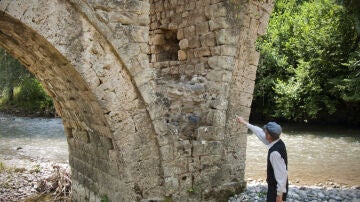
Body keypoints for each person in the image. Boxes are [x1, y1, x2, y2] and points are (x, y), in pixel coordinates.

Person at [237, 116, 288, 202]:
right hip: (277, 186)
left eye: (266, 132)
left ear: (269, 136)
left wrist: (279, 196)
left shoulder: (275, 153)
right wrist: (245, 123)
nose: (263, 132)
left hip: (277, 189)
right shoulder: (277, 140)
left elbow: (281, 175)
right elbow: (259, 132)